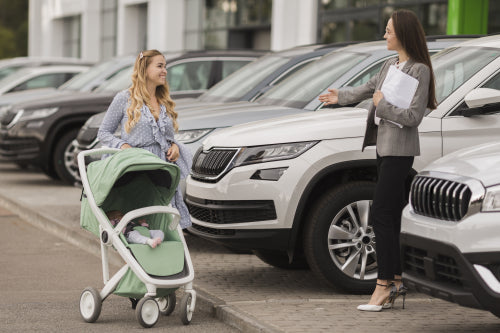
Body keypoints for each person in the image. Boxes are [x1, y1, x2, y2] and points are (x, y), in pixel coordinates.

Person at [318, 9, 436, 312]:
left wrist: (382, 107)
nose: (384, 35)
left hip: (400, 151)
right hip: (384, 148)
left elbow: (413, 116)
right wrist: (339, 96)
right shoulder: (390, 65)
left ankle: (382, 285)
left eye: (388, 30)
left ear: (403, 34)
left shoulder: (419, 70)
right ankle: (395, 280)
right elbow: (367, 89)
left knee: (381, 215)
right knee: (390, 216)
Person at [98, 49, 192, 229]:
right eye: (159, 66)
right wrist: (123, 145)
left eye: (165, 66)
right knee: (138, 219)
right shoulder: (124, 98)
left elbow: (166, 136)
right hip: (136, 168)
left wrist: (174, 146)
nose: (164, 71)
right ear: (144, 69)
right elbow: (103, 132)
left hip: (162, 169)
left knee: (163, 218)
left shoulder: (163, 100)